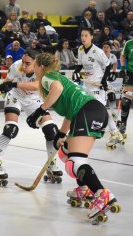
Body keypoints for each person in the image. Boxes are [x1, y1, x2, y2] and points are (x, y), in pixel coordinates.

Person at [28, 53, 119, 224]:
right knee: (64, 153)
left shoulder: (48, 77)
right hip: (93, 111)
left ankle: (102, 194)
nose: (34, 70)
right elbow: (70, 112)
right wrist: (61, 135)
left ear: (40, 67)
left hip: (87, 112)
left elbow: (57, 90)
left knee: (75, 161)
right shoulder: (59, 77)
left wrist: (40, 111)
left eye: (34, 66)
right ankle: (84, 189)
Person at [0, 49, 63, 185]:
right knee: (10, 129)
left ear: (37, 65)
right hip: (15, 96)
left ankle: (51, 164)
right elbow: (4, 86)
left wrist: (13, 84)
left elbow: (36, 86)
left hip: (34, 100)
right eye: (22, 62)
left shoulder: (43, 71)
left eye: (27, 63)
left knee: (51, 130)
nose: (23, 66)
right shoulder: (16, 66)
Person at [72, 28, 123, 147]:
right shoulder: (80, 49)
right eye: (82, 35)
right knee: (86, 109)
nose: (83, 38)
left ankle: (115, 133)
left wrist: (104, 81)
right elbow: (79, 66)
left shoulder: (97, 51)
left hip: (98, 85)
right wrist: (76, 73)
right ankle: (90, 130)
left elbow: (108, 64)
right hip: (87, 85)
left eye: (86, 35)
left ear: (91, 37)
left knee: (101, 110)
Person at [102, 41, 119, 135]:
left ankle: (114, 117)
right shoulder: (100, 56)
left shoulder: (112, 56)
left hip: (108, 80)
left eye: (107, 47)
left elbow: (115, 63)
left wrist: (113, 72)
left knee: (112, 96)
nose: (105, 49)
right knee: (101, 102)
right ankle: (102, 122)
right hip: (100, 80)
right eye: (104, 47)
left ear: (110, 49)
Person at [119, 37, 133, 138]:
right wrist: (123, 68)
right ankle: (123, 124)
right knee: (126, 100)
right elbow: (122, 56)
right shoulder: (129, 43)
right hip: (130, 73)